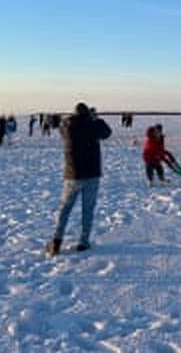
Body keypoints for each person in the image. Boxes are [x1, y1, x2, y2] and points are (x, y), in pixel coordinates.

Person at [46, 102, 112, 256]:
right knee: (88, 210)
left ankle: (56, 242)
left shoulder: (67, 126)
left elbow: (59, 125)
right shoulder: (94, 126)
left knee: (65, 209)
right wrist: (95, 119)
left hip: (73, 175)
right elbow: (107, 132)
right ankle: (83, 242)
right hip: (92, 175)